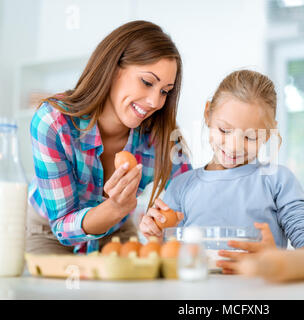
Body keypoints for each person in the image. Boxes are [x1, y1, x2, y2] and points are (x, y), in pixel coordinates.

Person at [26, 20, 191, 255]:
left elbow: (190, 200)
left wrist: (164, 223)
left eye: (165, 91)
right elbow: (62, 225)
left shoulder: (161, 135)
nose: (156, 102)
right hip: (49, 234)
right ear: (113, 69)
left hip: (116, 234)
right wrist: (114, 208)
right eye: (147, 82)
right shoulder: (53, 122)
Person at [140, 70, 304, 273]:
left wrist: (276, 260)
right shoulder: (181, 186)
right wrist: (156, 237)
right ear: (208, 114)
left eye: (250, 137)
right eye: (224, 130)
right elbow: (169, 257)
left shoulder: (277, 181)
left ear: (269, 133)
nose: (234, 147)